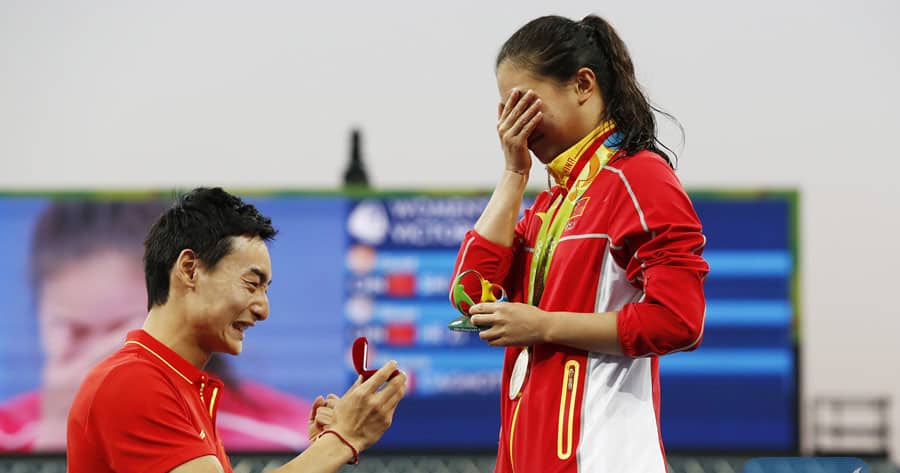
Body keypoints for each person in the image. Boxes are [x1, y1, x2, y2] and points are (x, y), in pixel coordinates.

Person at [451, 15, 709, 473]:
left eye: (524, 105)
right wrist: (513, 174)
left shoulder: (640, 178)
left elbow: (678, 321)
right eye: (505, 110)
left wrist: (544, 326)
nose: (516, 126)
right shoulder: (549, 203)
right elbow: (471, 295)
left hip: (603, 457)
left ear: (583, 84)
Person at [67, 187, 406, 472]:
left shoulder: (177, 387)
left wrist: (320, 451)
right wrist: (342, 439)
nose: (263, 309)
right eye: (251, 284)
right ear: (189, 269)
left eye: (266, 289)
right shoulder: (132, 383)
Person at [0, 199, 312, 452]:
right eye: (75, 331)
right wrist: (59, 437)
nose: (99, 356)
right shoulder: (8, 437)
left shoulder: (291, 440)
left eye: (119, 329)